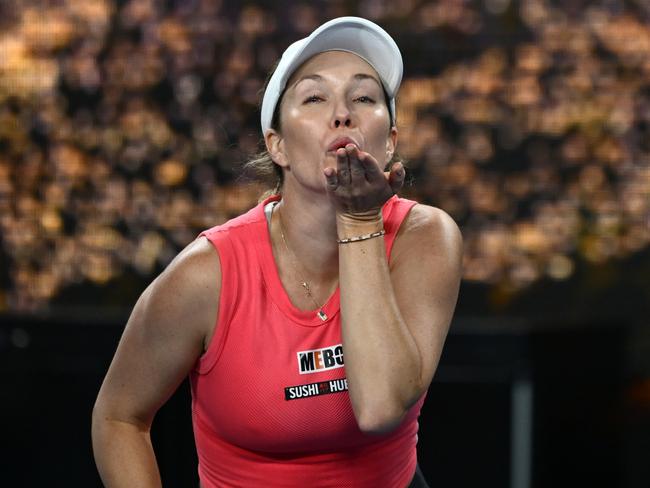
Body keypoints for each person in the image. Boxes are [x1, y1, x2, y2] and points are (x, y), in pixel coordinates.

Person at [92, 16, 463, 488]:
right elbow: (118, 417)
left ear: (389, 143)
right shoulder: (209, 273)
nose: (343, 113)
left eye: (364, 98)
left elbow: (379, 408)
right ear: (279, 147)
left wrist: (360, 220)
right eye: (314, 97)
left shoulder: (426, 237)